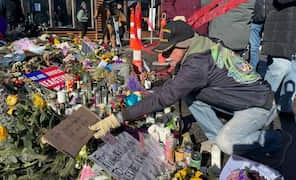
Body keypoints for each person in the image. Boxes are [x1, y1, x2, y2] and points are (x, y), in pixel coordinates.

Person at [89, 20, 292, 167]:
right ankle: (217, 137)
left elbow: (163, 96)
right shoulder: (200, 43)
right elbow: (178, 84)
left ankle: (277, 139)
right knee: (187, 94)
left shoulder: (197, 65)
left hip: (259, 105)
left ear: (184, 46)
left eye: (169, 51)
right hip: (243, 99)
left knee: (228, 142)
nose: (164, 55)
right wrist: (169, 67)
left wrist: (117, 119)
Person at [262, 0, 296, 115]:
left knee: (292, 77)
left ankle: (285, 111)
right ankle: (258, 114)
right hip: (282, 35)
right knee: (278, 72)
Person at [249, 0, 266, 70]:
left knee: (254, 47)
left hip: (256, 19)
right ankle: (253, 67)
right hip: (265, 18)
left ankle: (252, 69)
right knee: (254, 47)